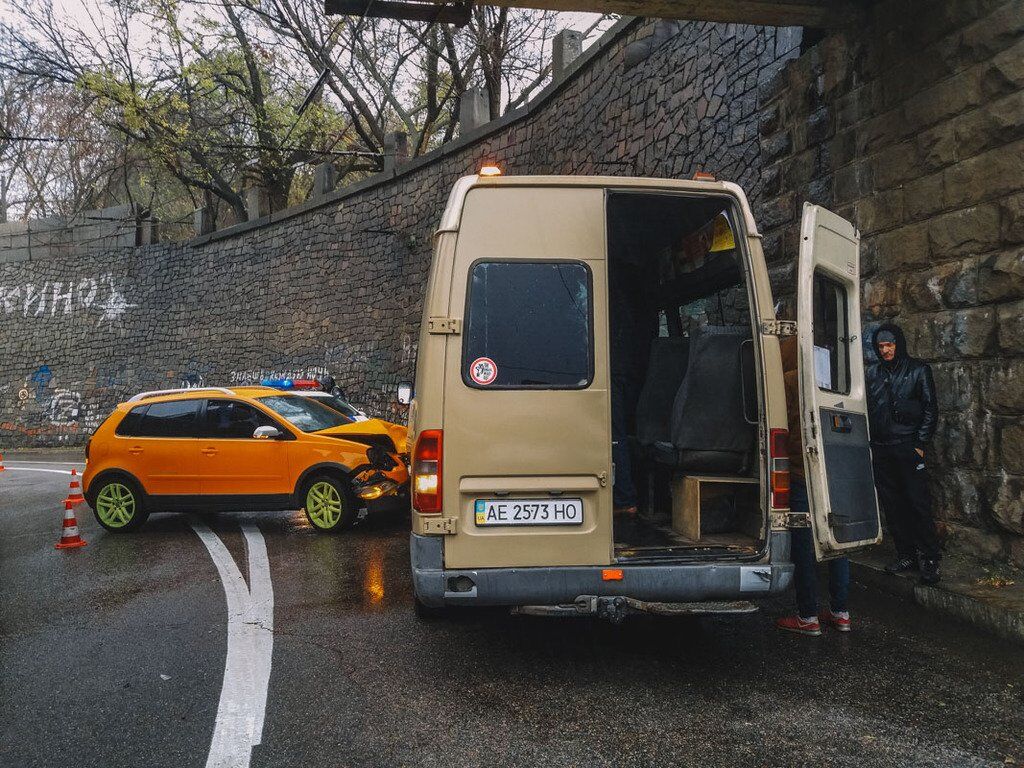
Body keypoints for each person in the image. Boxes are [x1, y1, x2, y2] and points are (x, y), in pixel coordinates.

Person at [776, 335, 850, 636]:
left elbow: (787, 426)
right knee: (838, 541)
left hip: (801, 470)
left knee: (804, 545)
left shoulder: (788, 382)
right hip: (834, 469)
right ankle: (841, 611)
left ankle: (807, 615)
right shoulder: (831, 380)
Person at [866, 322, 941, 584]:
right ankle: (905, 553)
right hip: (882, 447)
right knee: (893, 505)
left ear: (899, 344)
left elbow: (931, 408)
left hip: (908, 445)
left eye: (889, 345)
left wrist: (920, 443)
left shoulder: (918, 370)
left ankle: (930, 558)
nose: (885, 350)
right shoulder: (872, 373)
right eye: (881, 346)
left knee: (917, 503)